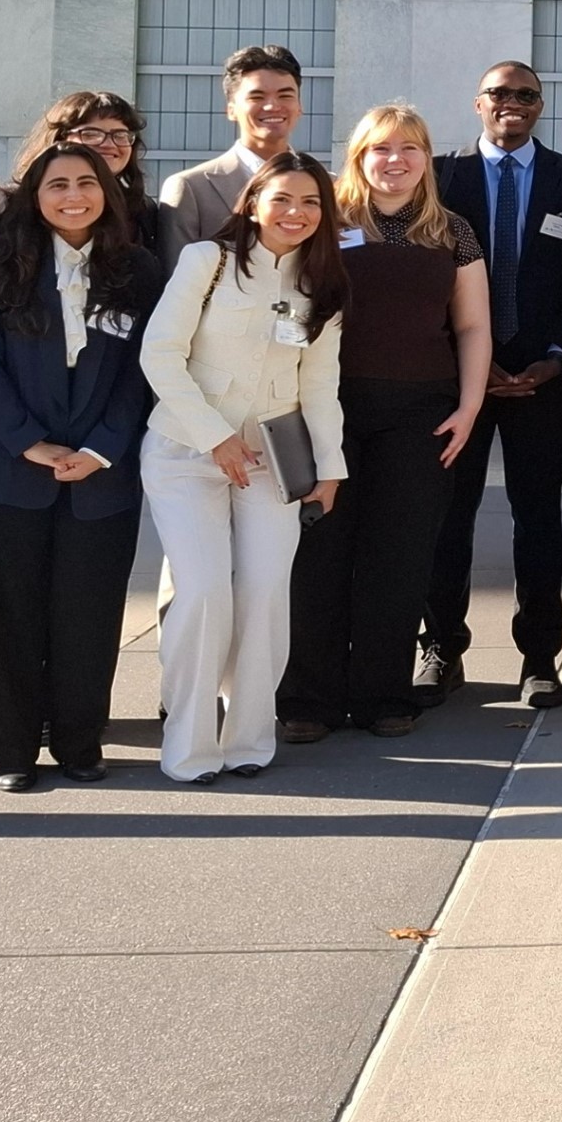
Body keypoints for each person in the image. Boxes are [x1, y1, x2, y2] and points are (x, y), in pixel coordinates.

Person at [0, 140, 162, 790]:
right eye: (56, 184)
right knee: (4, 615)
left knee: (88, 613)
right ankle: (12, 751)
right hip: (6, 467)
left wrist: (102, 447)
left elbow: (143, 370)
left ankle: (78, 742)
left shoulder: (137, 269)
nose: (73, 194)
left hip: (102, 471)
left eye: (86, 182)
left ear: (107, 190)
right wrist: (26, 441)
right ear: (34, 195)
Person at [279, 106, 489, 743]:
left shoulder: (453, 232)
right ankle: (309, 700)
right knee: (320, 552)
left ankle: (382, 693)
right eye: (380, 149)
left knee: (397, 556)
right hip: (327, 409)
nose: (394, 161)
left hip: (421, 413)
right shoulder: (324, 222)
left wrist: (470, 406)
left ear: (427, 159)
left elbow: (473, 325)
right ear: (358, 156)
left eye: (409, 149)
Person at [138, 154, 347, 784]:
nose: (296, 213)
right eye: (282, 199)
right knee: (203, 592)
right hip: (185, 451)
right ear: (254, 201)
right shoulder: (208, 261)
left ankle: (249, 738)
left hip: (272, 463)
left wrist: (330, 468)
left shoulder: (324, 286)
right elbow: (161, 355)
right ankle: (189, 742)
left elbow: (320, 388)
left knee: (263, 594)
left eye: (311, 202)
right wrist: (215, 439)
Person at [424, 61, 562, 709]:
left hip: (542, 380)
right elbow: (426, 280)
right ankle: (441, 647)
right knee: (448, 517)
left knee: (537, 519)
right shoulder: (441, 175)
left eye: (526, 95)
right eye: (500, 93)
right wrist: (466, 362)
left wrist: (556, 355)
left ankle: (538, 658)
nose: (513, 103)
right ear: (478, 103)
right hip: (455, 383)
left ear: (540, 105)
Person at [0, 88, 161, 303]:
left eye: (120, 135)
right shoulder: (9, 202)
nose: (108, 144)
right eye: (91, 134)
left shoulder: (141, 209)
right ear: (59, 140)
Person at [159, 45, 306, 262]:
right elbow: (175, 279)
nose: (272, 106)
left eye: (285, 95)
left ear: (299, 107)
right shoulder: (191, 189)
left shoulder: (331, 187)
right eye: (257, 97)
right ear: (231, 110)